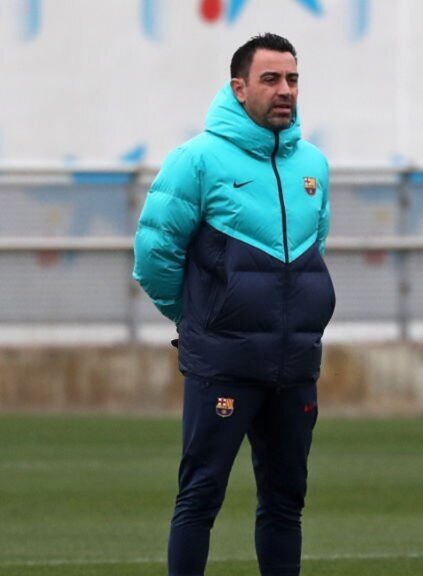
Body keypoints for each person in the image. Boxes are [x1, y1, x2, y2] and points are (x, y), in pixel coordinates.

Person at [132, 33, 335, 576]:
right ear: (239, 87)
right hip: (223, 363)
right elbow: (154, 254)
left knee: (286, 504)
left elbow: (316, 250)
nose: (285, 90)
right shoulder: (196, 160)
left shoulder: (313, 163)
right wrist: (198, 319)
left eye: (292, 79)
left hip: (294, 365)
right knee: (200, 497)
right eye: (271, 79)